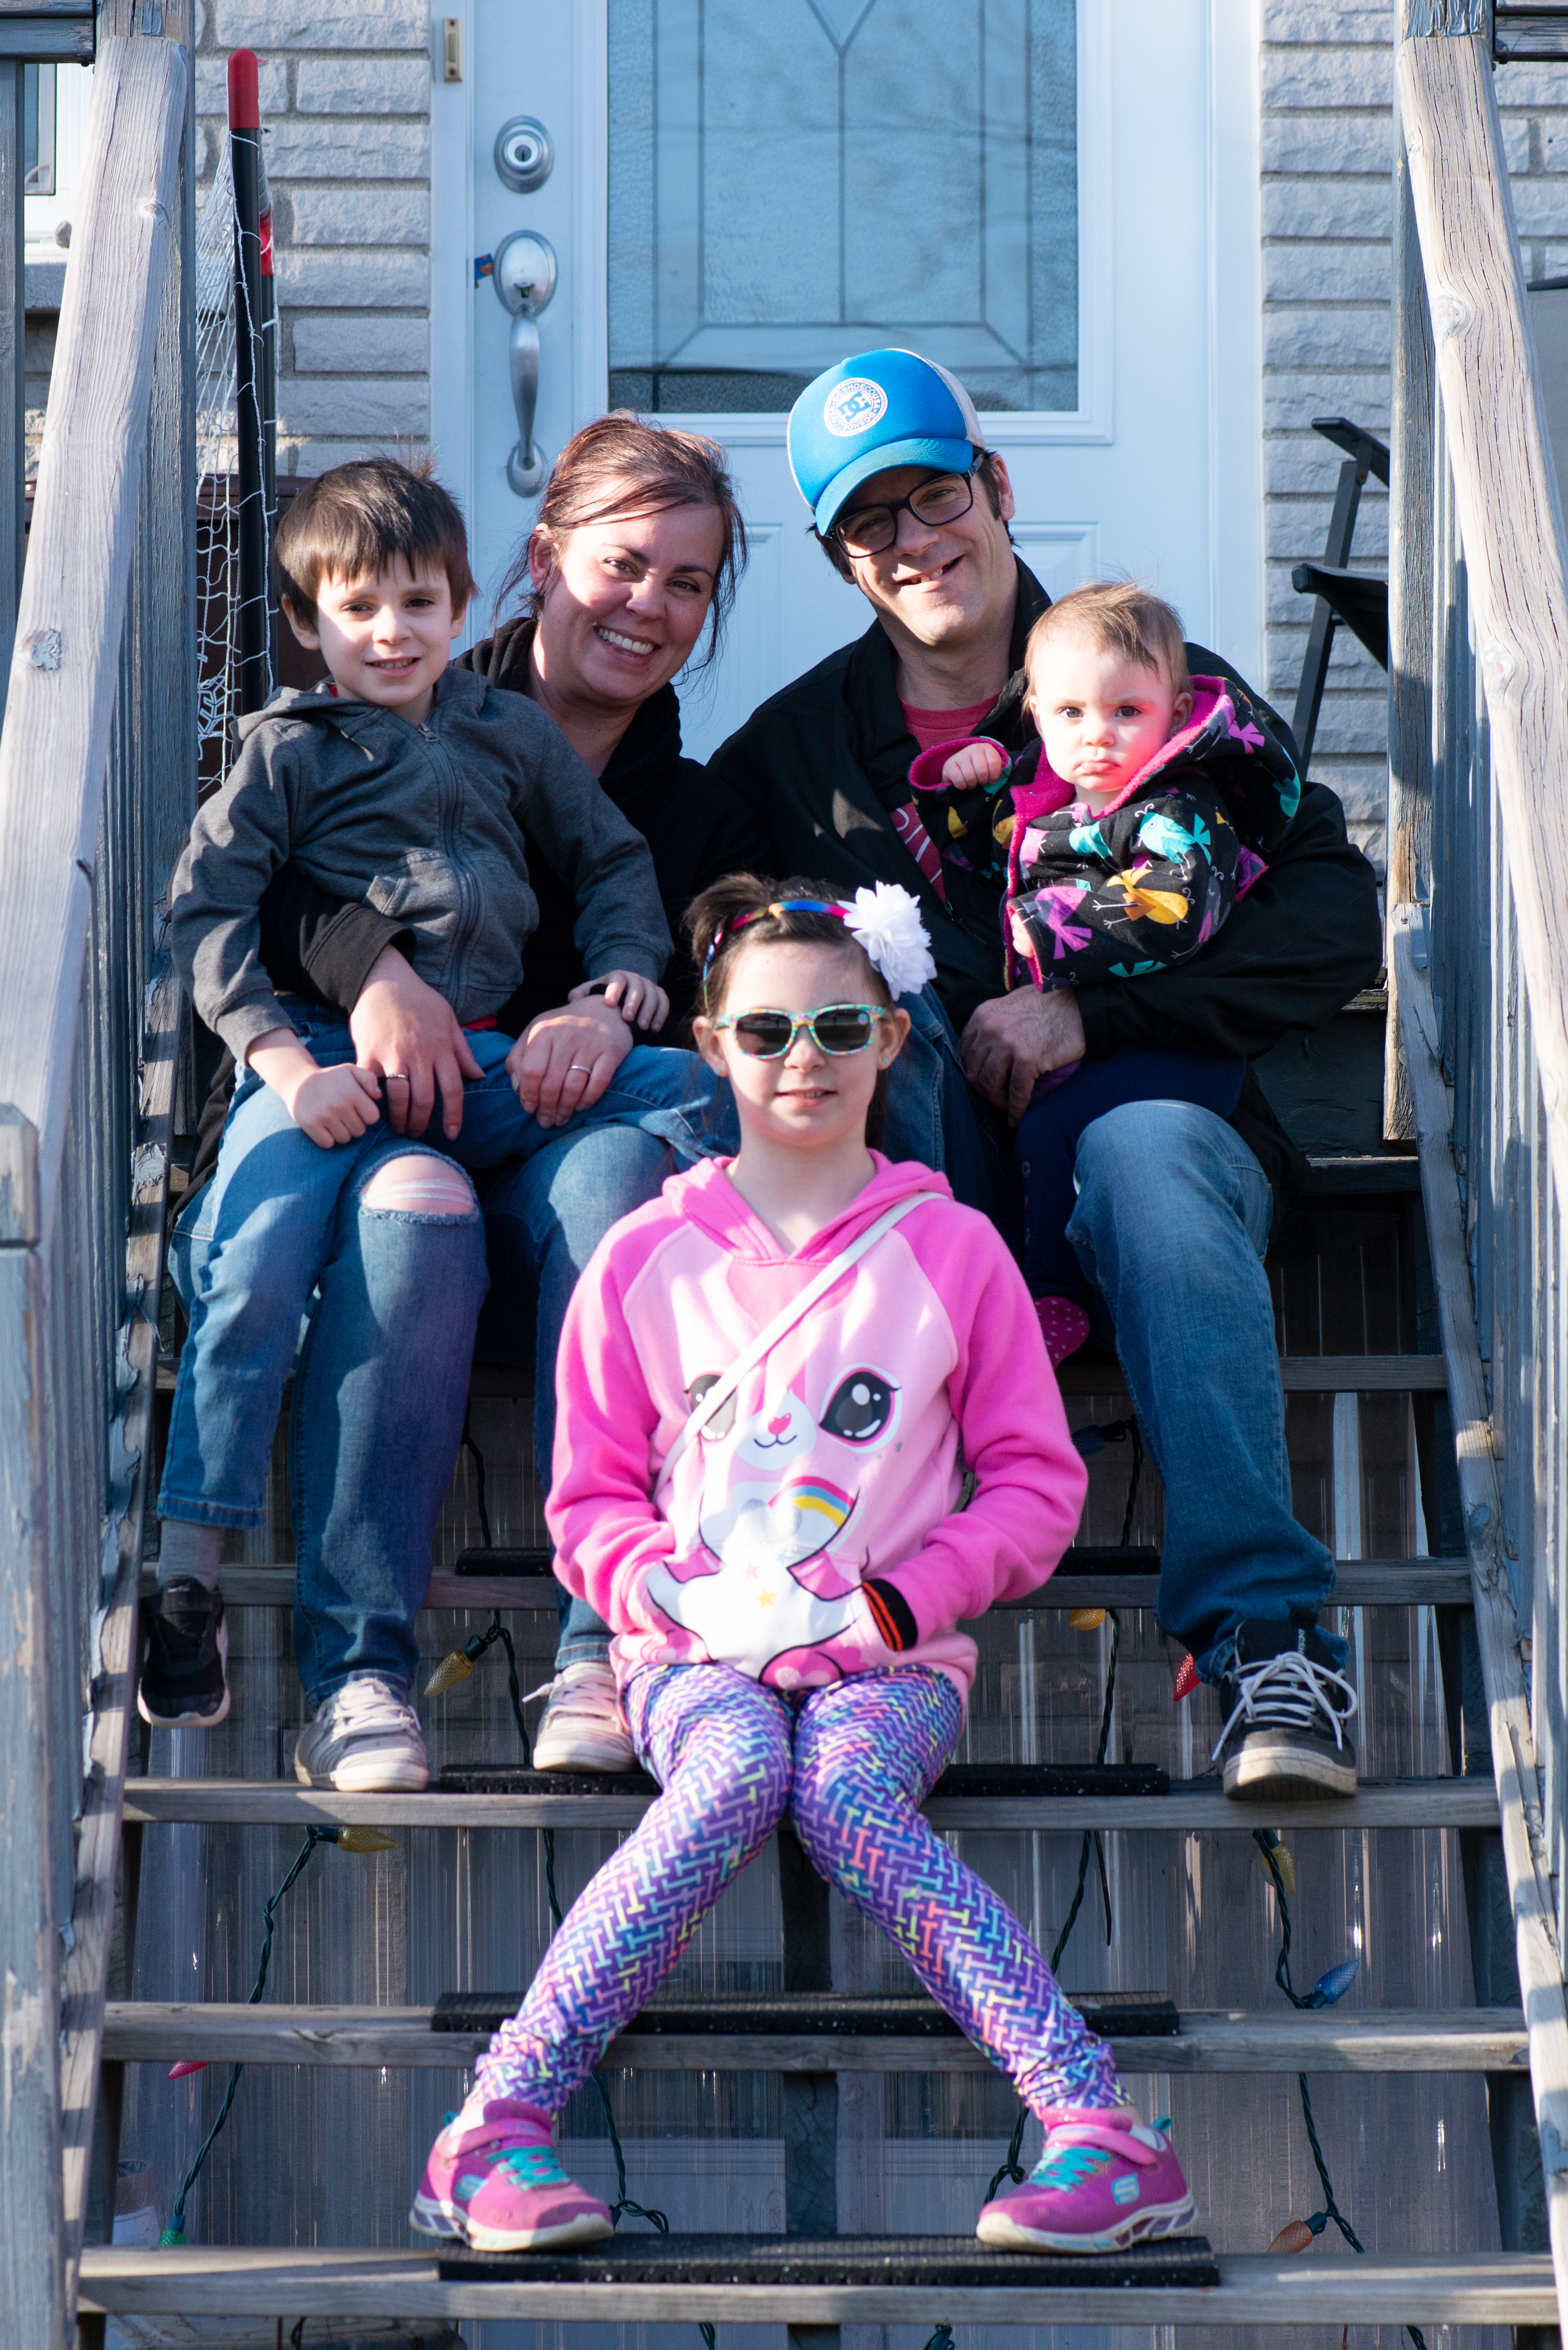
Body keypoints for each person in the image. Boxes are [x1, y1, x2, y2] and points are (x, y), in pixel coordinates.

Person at [410, 879, 1196, 2258]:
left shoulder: (952, 1250)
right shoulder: (644, 1252)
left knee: (838, 1787)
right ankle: (495, 2130)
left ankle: (1102, 2134)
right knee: (735, 1771)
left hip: (894, 1657)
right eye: (767, 1033)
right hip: (691, 1657)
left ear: (894, 1040)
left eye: (842, 1027)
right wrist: (671, 1590)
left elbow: (1032, 1484)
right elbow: (588, 1500)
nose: (804, 1062)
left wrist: (894, 1598)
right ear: (712, 1046)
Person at [705, 346, 1382, 1802]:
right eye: (869, 526)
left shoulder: (1141, 683)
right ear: (843, 563)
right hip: (934, 1196)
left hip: (1145, 1139)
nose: (914, 543)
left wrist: (1094, 1010)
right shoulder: (796, 758)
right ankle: (842, 1621)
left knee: (1146, 1163)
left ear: (997, 488)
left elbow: (1331, 911)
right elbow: (652, 891)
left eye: (934, 496)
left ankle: (1266, 1638)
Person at [166, 419, 764, 1791]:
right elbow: (231, 900)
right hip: (356, 1105)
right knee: (413, 1209)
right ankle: (346, 1665)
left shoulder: (683, 800)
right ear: (542, 561)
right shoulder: (316, 738)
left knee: (645, 1150)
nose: (650, 606)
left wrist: (612, 997)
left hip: (527, 1117)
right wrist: (356, 985)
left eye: (688, 584)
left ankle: (604, 1643)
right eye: (626, 564)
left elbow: (629, 882)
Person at [914, 580, 1300, 1367]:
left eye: (1127, 711)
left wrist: (1046, 932)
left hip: (1178, 1055)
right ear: (1036, 718)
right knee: (1038, 1141)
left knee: (1059, 1134)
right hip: (1098, 1057)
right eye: (1070, 714)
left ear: (1175, 707)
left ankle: (1053, 1297)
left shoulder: (1179, 804)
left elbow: (1174, 907)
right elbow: (970, 857)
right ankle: (1054, 1286)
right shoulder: (1050, 807)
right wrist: (963, 786)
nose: (1098, 734)